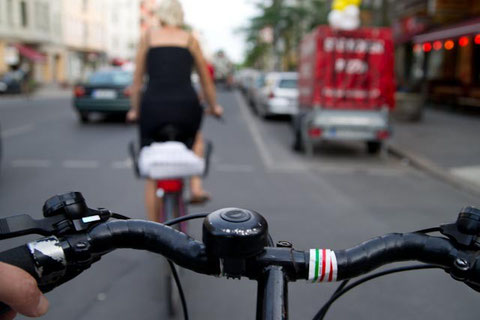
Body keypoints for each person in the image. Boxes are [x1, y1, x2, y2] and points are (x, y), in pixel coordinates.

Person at [127, 0, 223, 222]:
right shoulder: (190, 40)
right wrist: (214, 106)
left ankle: (153, 230)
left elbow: (138, 78)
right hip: (185, 105)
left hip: (153, 106)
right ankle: (196, 187)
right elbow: (206, 80)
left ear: (160, 16)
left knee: (152, 172)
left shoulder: (148, 37)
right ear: (181, 16)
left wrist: (134, 109)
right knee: (195, 138)